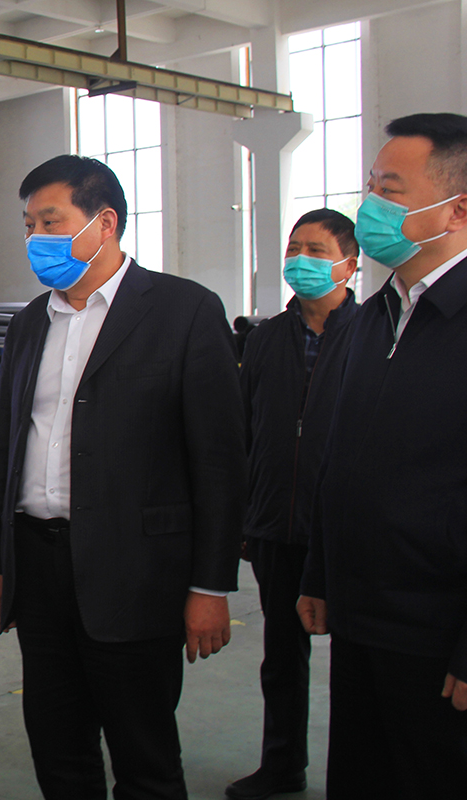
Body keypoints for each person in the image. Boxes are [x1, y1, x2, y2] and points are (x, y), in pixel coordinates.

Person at [0, 155, 246, 800]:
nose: (36, 238)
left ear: (105, 223)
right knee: (58, 746)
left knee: (144, 755)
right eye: (29, 224)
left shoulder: (183, 310)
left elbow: (219, 460)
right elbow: (6, 449)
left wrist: (210, 584)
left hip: (137, 571)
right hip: (39, 566)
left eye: (51, 221)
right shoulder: (29, 322)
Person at [297, 112, 467, 800]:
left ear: (457, 209)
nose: (370, 206)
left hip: (438, 632)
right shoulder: (370, 320)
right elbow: (338, 459)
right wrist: (319, 571)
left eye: (390, 190)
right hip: (361, 617)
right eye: (370, 186)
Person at [226, 210, 359, 800]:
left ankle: (357, 773)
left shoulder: (375, 333)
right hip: (275, 524)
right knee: (282, 656)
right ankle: (282, 766)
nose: (301, 259)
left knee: (356, 662)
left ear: (348, 264)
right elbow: (243, 431)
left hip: (346, 530)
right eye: (294, 248)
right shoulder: (264, 339)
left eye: (317, 250)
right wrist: (244, 516)